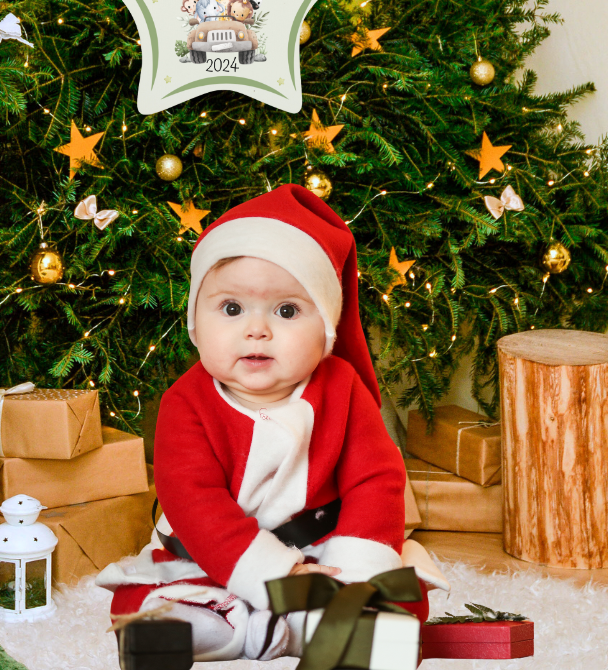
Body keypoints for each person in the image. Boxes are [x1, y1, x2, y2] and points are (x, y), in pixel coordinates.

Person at [97, 184, 446, 660]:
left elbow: (376, 479)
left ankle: (309, 628)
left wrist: (352, 571)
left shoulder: (342, 387)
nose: (256, 329)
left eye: (286, 311)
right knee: (146, 605)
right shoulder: (186, 402)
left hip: (322, 550)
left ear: (325, 330)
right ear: (196, 323)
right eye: (232, 308)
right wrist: (274, 576)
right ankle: (223, 627)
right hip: (212, 557)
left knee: (395, 597)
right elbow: (195, 505)